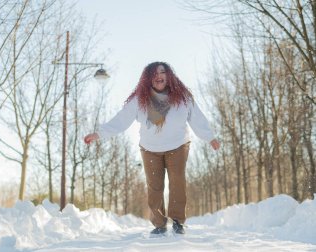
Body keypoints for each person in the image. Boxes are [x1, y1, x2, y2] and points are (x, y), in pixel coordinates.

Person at [84, 62, 220, 235]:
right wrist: (99, 134)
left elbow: (197, 118)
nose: (158, 75)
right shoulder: (139, 99)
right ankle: (159, 223)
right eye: (154, 73)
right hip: (150, 148)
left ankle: (178, 221)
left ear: (168, 75)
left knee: (177, 181)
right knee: (154, 186)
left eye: (162, 72)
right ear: (148, 78)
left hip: (178, 145)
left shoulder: (183, 97)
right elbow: (121, 120)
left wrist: (210, 137)